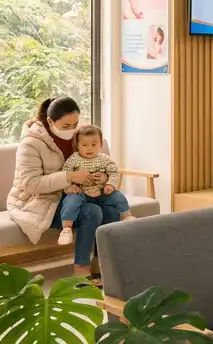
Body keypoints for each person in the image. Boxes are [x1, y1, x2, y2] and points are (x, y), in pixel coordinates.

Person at [7, 96, 125, 282]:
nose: (72, 129)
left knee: (111, 209)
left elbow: (97, 162)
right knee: (92, 211)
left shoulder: (77, 135)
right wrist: (68, 177)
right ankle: (81, 270)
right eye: (66, 126)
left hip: (79, 194)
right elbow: (30, 184)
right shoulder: (31, 143)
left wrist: (103, 178)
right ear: (50, 121)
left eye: (75, 124)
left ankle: (101, 265)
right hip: (41, 201)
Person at [58, 125, 132, 247]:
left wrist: (110, 184)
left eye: (93, 145)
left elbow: (114, 172)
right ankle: (66, 228)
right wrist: (70, 188)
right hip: (81, 192)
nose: (89, 148)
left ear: (100, 144)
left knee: (118, 195)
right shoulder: (74, 159)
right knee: (70, 200)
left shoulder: (104, 159)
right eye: (84, 145)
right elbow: (65, 175)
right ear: (77, 145)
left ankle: (127, 216)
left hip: (101, 191)